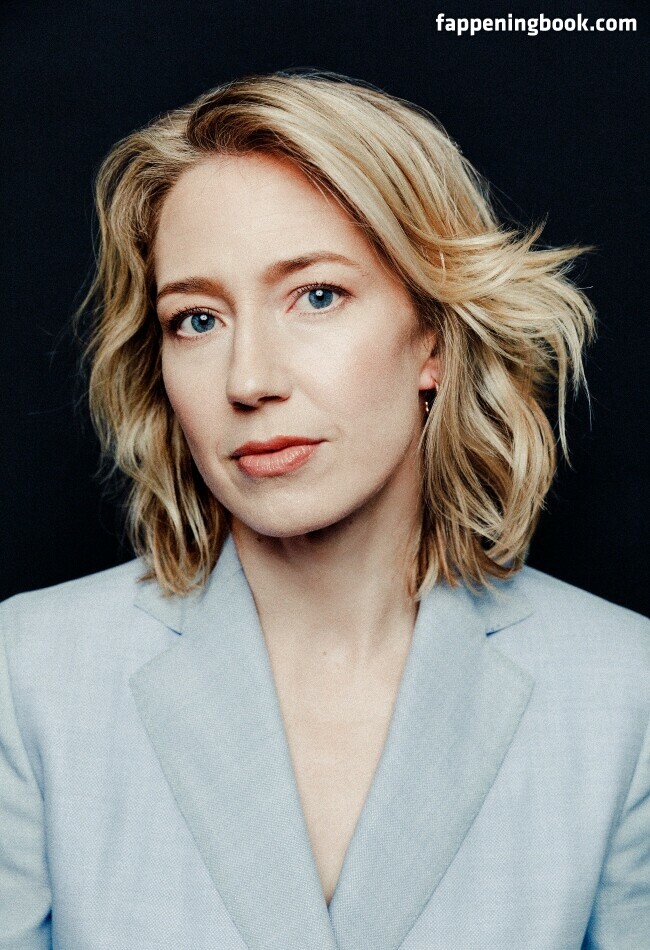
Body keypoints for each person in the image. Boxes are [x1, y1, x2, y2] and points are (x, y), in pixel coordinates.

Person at [0, 71, 648, 950]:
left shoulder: (622, 693)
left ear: (431, 335)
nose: (249, 380)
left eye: (316, 296)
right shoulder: (31, 677)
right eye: (197, 319)